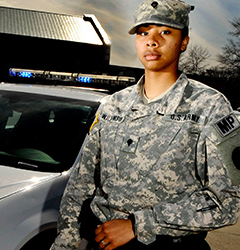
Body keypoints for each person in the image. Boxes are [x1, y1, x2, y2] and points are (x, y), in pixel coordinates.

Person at [51, 0, 240, 249]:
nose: (152, 41)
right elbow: (80, 184)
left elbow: (227, 202)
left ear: (184, 41)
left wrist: (139, 224)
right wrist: (66, 241)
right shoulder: (113, 105)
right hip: (101, 241)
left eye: (165, 32)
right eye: (143, 32)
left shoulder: (211, 107)